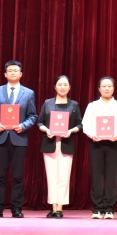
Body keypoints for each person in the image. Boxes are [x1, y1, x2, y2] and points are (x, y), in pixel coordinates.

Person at [0, 60, 38, 218]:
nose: (13, 73)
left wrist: (23, 125)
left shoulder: (28, 93)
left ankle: (16, 208)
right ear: (5, 74)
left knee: (18, 176)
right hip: (1, 138)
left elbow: (33, 115)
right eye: (10, 70)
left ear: (21, 74)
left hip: (19, 138)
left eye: (16, 70)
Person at [83, 77, 117, 219]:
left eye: (109, 86)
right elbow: (86, 124)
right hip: (96, 143)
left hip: (113, 143)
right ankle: (97, 208)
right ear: (99, 89)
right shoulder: (92, 106)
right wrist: (92, 135)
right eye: (103, 86)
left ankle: (109, 208)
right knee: (96, 175)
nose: (107, 88)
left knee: (112, 176)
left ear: (113, 88)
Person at [38, 75, 82, 219]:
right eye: (60, 84)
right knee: (51, 177)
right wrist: (46, 130)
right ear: (55, 87)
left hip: (66, 144)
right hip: (50, 143)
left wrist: (71, 131)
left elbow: (80, 124)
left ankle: (60, 208)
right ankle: (53, 206)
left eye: (65, 85)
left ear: (69, 87)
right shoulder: (47, 103)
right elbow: (40, 122)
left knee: (64, 176)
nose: (62, 87)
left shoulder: (73, 105)